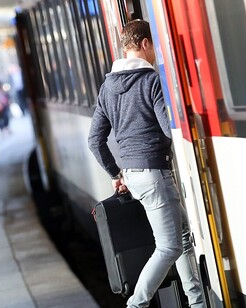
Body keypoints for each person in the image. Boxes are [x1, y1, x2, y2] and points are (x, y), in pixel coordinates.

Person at [88, 20, 204, 308]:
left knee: (183, 238)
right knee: (169, 246)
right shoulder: (151, 81)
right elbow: (168, 129)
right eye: (154, 45)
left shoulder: (107, 88)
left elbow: (95, 140)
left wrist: (116, 173)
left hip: (134, 175)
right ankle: (136, 305)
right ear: (144, 44)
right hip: (154, 174)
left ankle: (198, 302)